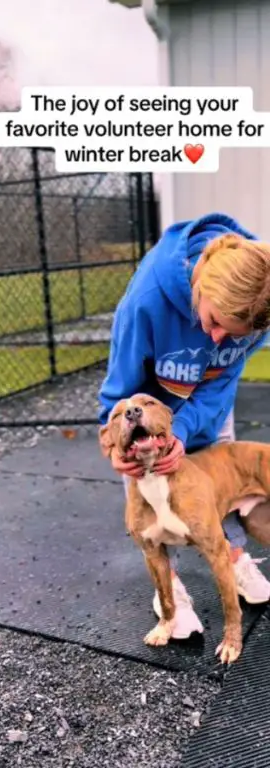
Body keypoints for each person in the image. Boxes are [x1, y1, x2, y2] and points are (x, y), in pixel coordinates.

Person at [98, 213, 270, 639]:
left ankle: (232, 558)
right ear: (201, 288)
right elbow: (119, 393)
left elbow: (222, 382)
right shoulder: (148, 299)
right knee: (144, 484)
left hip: (207, 405)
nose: (215, 341)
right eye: (212, 323)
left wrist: (186, 430)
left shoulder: (261, 302)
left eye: (232, 335)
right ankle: (170, 593)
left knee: (219, 484)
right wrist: (119, 448)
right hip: (147, 402)